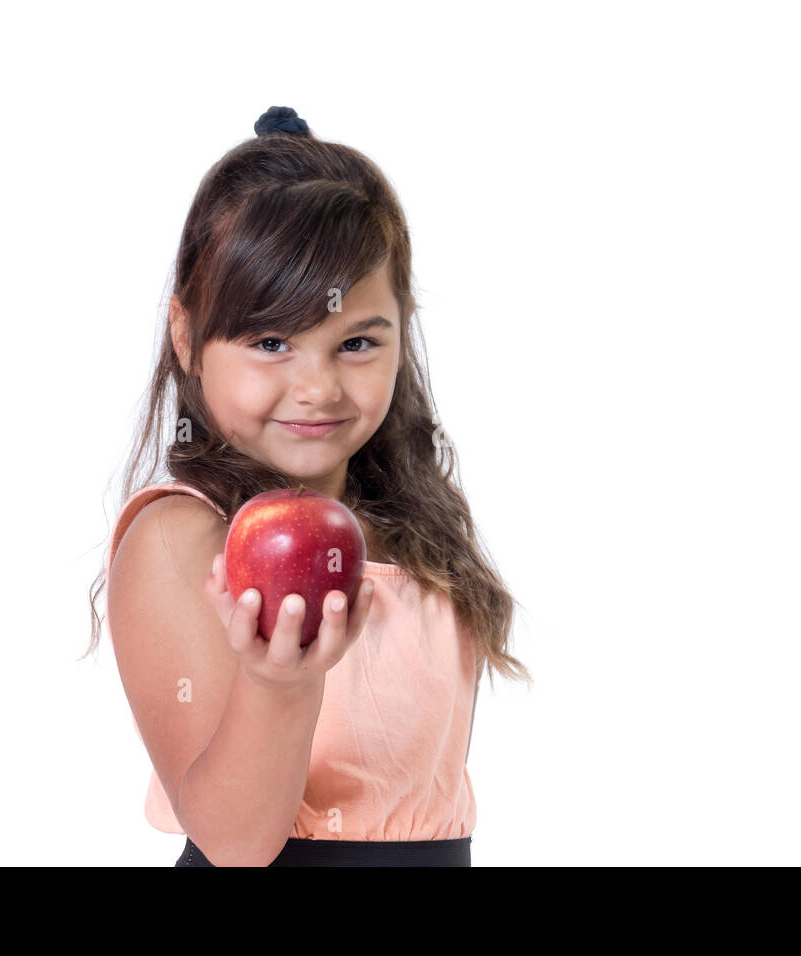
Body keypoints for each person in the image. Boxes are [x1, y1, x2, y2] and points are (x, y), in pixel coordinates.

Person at [83, 105, 531, 866]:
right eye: (269, 342)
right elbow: (233, 841)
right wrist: (278, 684)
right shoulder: (183, 540)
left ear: (404, 326)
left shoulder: (413, 530)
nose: (317, 387)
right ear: (187, 335)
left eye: (356, 342)